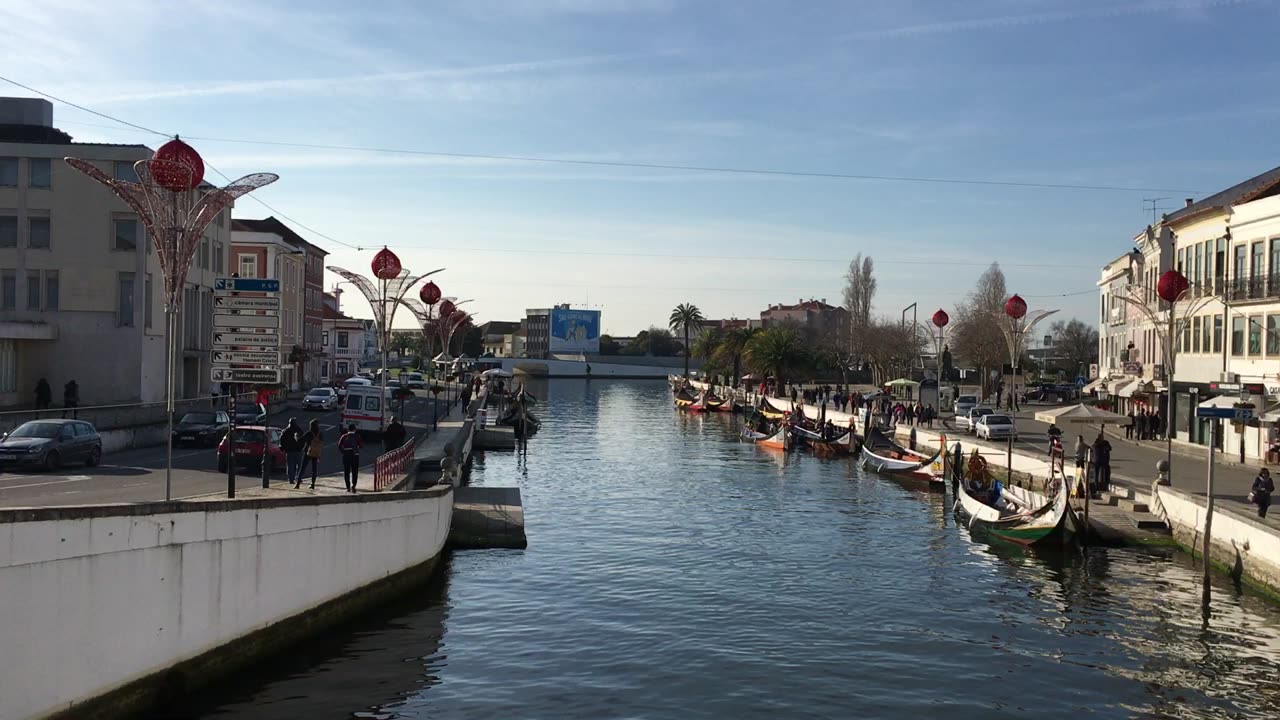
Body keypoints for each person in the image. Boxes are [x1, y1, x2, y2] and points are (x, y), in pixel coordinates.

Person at [297, 419, 322, 490]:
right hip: (316, 453)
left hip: (307, 452)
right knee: (314, 469)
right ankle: (313, 484)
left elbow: (301, 440)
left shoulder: (309, 433)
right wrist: (319, 455)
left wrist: (296, 437)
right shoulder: (320, 434)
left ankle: (298, 484)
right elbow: (321, 444)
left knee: (302, 468)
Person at [338, 423, 363, 493]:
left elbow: (339, 445)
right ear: (354, 429)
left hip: (346, 455)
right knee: (355, 471)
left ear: (348, 429)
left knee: (346, 471)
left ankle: (348, 487)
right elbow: (361, 445)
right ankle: (354, 485)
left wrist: (343, 452)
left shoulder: (344, 436)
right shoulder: (357, 436)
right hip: (355, 455)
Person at [280, 418, 304, 486]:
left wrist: (283, 447)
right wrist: (301, 447)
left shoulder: (285, 431)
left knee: (290, 466)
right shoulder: (298, 430)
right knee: (299, 465)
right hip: (298, 451)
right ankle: (298, 478)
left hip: (289, 451)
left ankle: (291, 479)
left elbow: (282, 440)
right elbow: (303, 439)